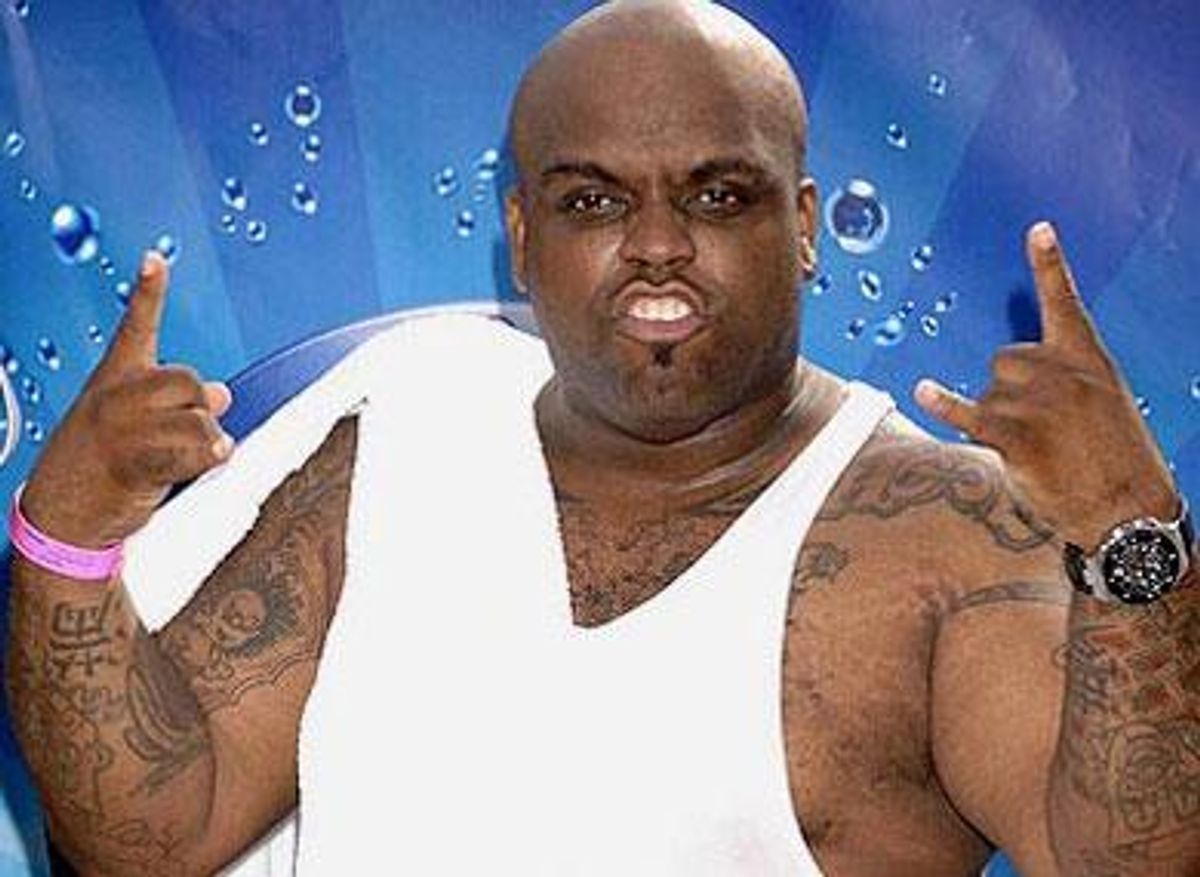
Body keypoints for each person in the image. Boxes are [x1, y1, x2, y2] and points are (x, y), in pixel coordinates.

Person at [6, 1, 1197, 875]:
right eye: (594, 201)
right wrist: (67, 540)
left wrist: (1134, 538)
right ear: (523, 239)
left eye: (718, 194)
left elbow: (1128, 862)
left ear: (801, 226)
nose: (659, 244)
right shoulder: (410, 431)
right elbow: (152, 832)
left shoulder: (946, 528)